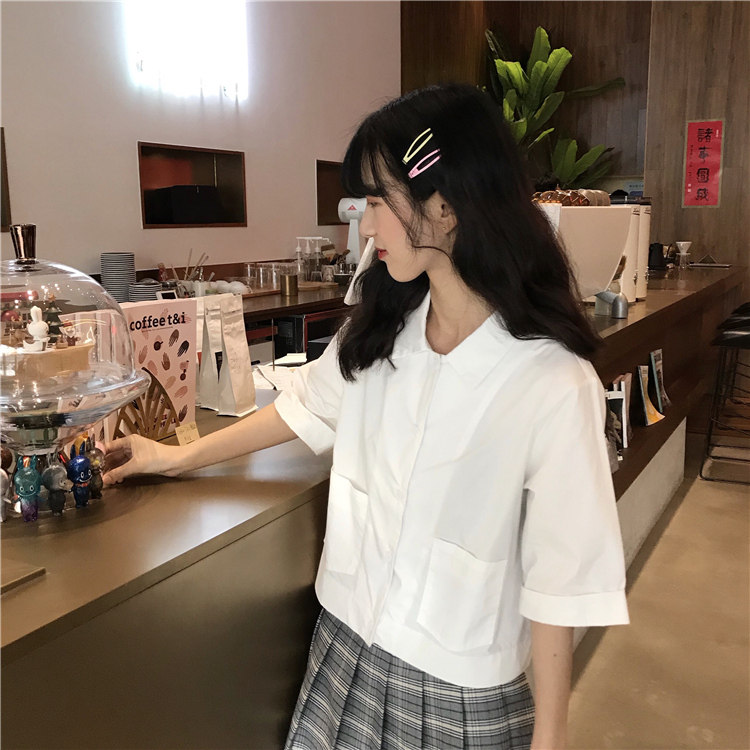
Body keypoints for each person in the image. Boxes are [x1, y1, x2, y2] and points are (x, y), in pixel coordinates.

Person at [103, 84, 628, 750]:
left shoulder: (550, 381)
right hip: (343, 655)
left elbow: (561, 579)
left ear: (445, 205)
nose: (366, 226)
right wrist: (175, 457)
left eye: (378, 202)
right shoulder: (379, 332)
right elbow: (300, 409)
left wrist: (550, 738)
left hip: (458, 697)